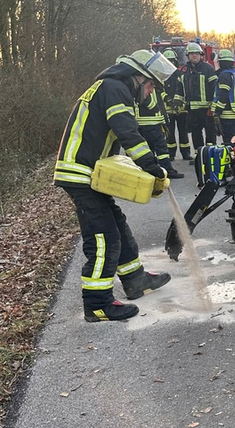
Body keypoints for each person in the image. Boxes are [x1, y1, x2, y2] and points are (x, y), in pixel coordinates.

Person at [53, 49, 176, 322]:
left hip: (89, 172)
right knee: (103, 238)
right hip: (80, 173)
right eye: (151, 85)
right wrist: (152, 167)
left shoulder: (113, 87)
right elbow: (127, 132)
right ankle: (98, 304)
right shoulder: (115, 89)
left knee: (117, 225)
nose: (151, 92)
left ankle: (135, 280)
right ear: (138, 77)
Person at [134, 72, 184, 179]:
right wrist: (155, 108)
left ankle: (150, 170)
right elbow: (145, 99)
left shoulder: (144, 80)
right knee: (161, 147)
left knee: (149, 147)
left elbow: (159, 93)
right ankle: (167, 169)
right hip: (150, 120)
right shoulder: (145, 81)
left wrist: (167, 100)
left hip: (147, 121)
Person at [182, 41, 218, 155]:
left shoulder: (208, 68)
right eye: (192, 54)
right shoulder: (185, 70)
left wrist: (213, 105)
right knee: (195, 133)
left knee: (210, 132)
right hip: (192, 109)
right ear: (188, 55)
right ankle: (199, 155)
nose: (194, 56)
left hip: (207, 109)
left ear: (201, 55)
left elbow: (214, 88)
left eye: (196, 53)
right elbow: (180, 88)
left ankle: (210, 154)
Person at [162, 49, 191, 161]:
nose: (170, 63)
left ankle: (186, 152)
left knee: (183, 131)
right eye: (167, 61)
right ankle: (171, 153)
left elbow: (183, 89)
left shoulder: (180, 74)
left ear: (175, 61)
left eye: (172, 61)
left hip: (181, 109)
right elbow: (158, 90)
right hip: (167, 109)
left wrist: (178, 100)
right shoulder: (161, 76)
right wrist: (167, 99)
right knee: (169, 133)